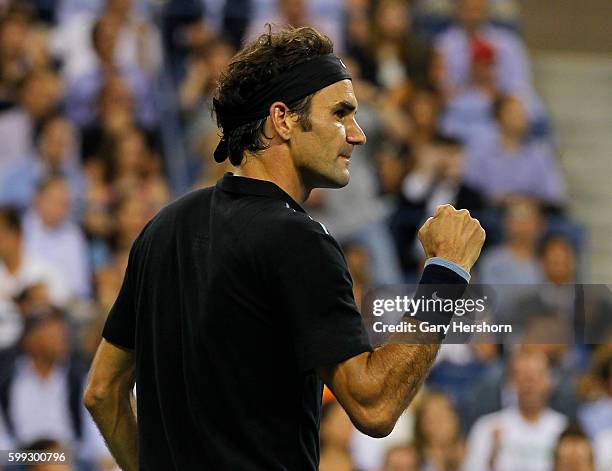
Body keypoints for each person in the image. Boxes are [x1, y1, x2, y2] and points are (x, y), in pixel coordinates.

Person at [83, 26, 485, 470]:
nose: (357, 134)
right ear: (283, 119)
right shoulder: (298, 240)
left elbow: (102, 392)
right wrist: (446, 274)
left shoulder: (163, 226)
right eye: (340, 113)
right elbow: (375, 405)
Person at [462, 349, 567, 471]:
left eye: (536, 375)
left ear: (549, 381)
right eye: (523, 376)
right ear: (510, 383)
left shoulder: (564, 429)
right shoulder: (487, 427)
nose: (530, 383)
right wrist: (490, 459)